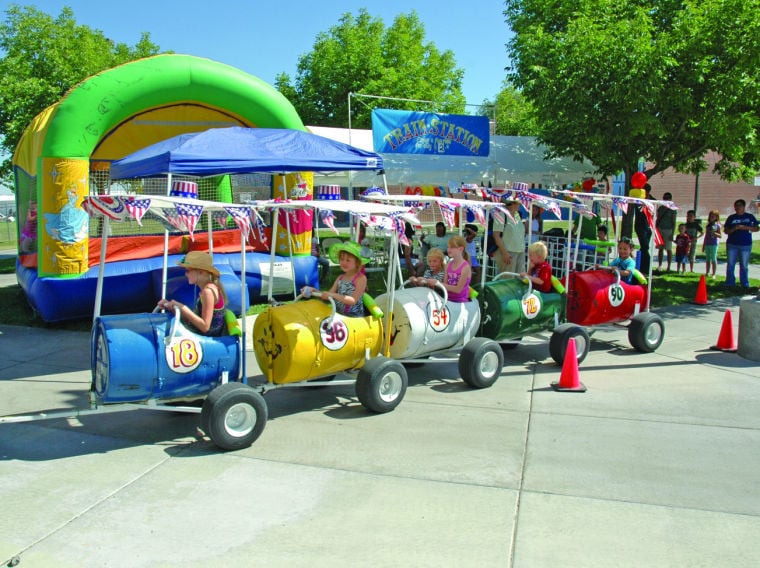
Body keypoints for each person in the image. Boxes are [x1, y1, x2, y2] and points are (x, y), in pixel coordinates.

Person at [158, 251, 227, 336]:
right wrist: (172, 307)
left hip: (206, 338)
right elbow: (195, 320)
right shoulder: (208, 288)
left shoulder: (208, 292)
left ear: (201, 272)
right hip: (202, 333)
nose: (186, 274)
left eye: (188, 270)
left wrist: (183, 308)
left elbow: (205, 327)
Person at [302, 241, 369, 317]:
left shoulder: (360, 278)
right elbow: (328, 296)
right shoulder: (340, 278)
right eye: (342, 259)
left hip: (354, 317)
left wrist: (333, 295)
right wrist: (313, 290)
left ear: (357, 263)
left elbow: (352, 300)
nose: (344, 262)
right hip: (339, 315)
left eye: (348, 260)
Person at [724, 199, 759, 288]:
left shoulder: (750, 216)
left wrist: (744, 227)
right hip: (732, 244)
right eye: (736, 206)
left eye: (740, 205)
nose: (738, 207)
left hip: (746, 244)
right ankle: (730, 283)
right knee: (731, 264)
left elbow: (756, 228)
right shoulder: (731, 218)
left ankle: (744, 283)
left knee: (744, 265)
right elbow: (726, 231)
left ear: (744, 207)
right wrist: (735, 228)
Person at [492, 199, 526, 275]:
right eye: (518, 203)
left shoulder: (517, 215)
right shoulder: (500, 214)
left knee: (520, 279)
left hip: (520, 252)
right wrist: (504, 253)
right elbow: (496, 235)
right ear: (512, 204)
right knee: (508, 280)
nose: (519, 205)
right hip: (508, 252)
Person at [442, 235, 472, 302]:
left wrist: (439, 284)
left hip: (461, 301)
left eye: (452, 247)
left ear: (460, 249)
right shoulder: (448, 265)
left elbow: (458, 289)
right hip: (448, 300)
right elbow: (445, 285)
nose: (448, 250)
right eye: (448, 247)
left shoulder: (465, 267)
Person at [656, 192, 677, 272]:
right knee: (660, 248)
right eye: (665, 198)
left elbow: (674, 222)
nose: (666, 199)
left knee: (668, 249)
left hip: (668, 230)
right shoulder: (661, 208)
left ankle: (668, 266)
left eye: (668, 198)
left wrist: (672, 233)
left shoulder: (673, 209)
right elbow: (657, 218)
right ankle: (660, 265)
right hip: (660, 228)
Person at [702, 210, 722, 278]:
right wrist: (703, 245)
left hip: (714, 244)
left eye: (713, 216)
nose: (711, 218)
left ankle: (714, 273)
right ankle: (707, 272)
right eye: (710, 216)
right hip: (708, 243)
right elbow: (706, 235)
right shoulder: (708, 225)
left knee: (713, 258)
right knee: (708, 259)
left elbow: (720, 235)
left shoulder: (717, 225)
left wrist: (715, 233)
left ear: (716, 217)